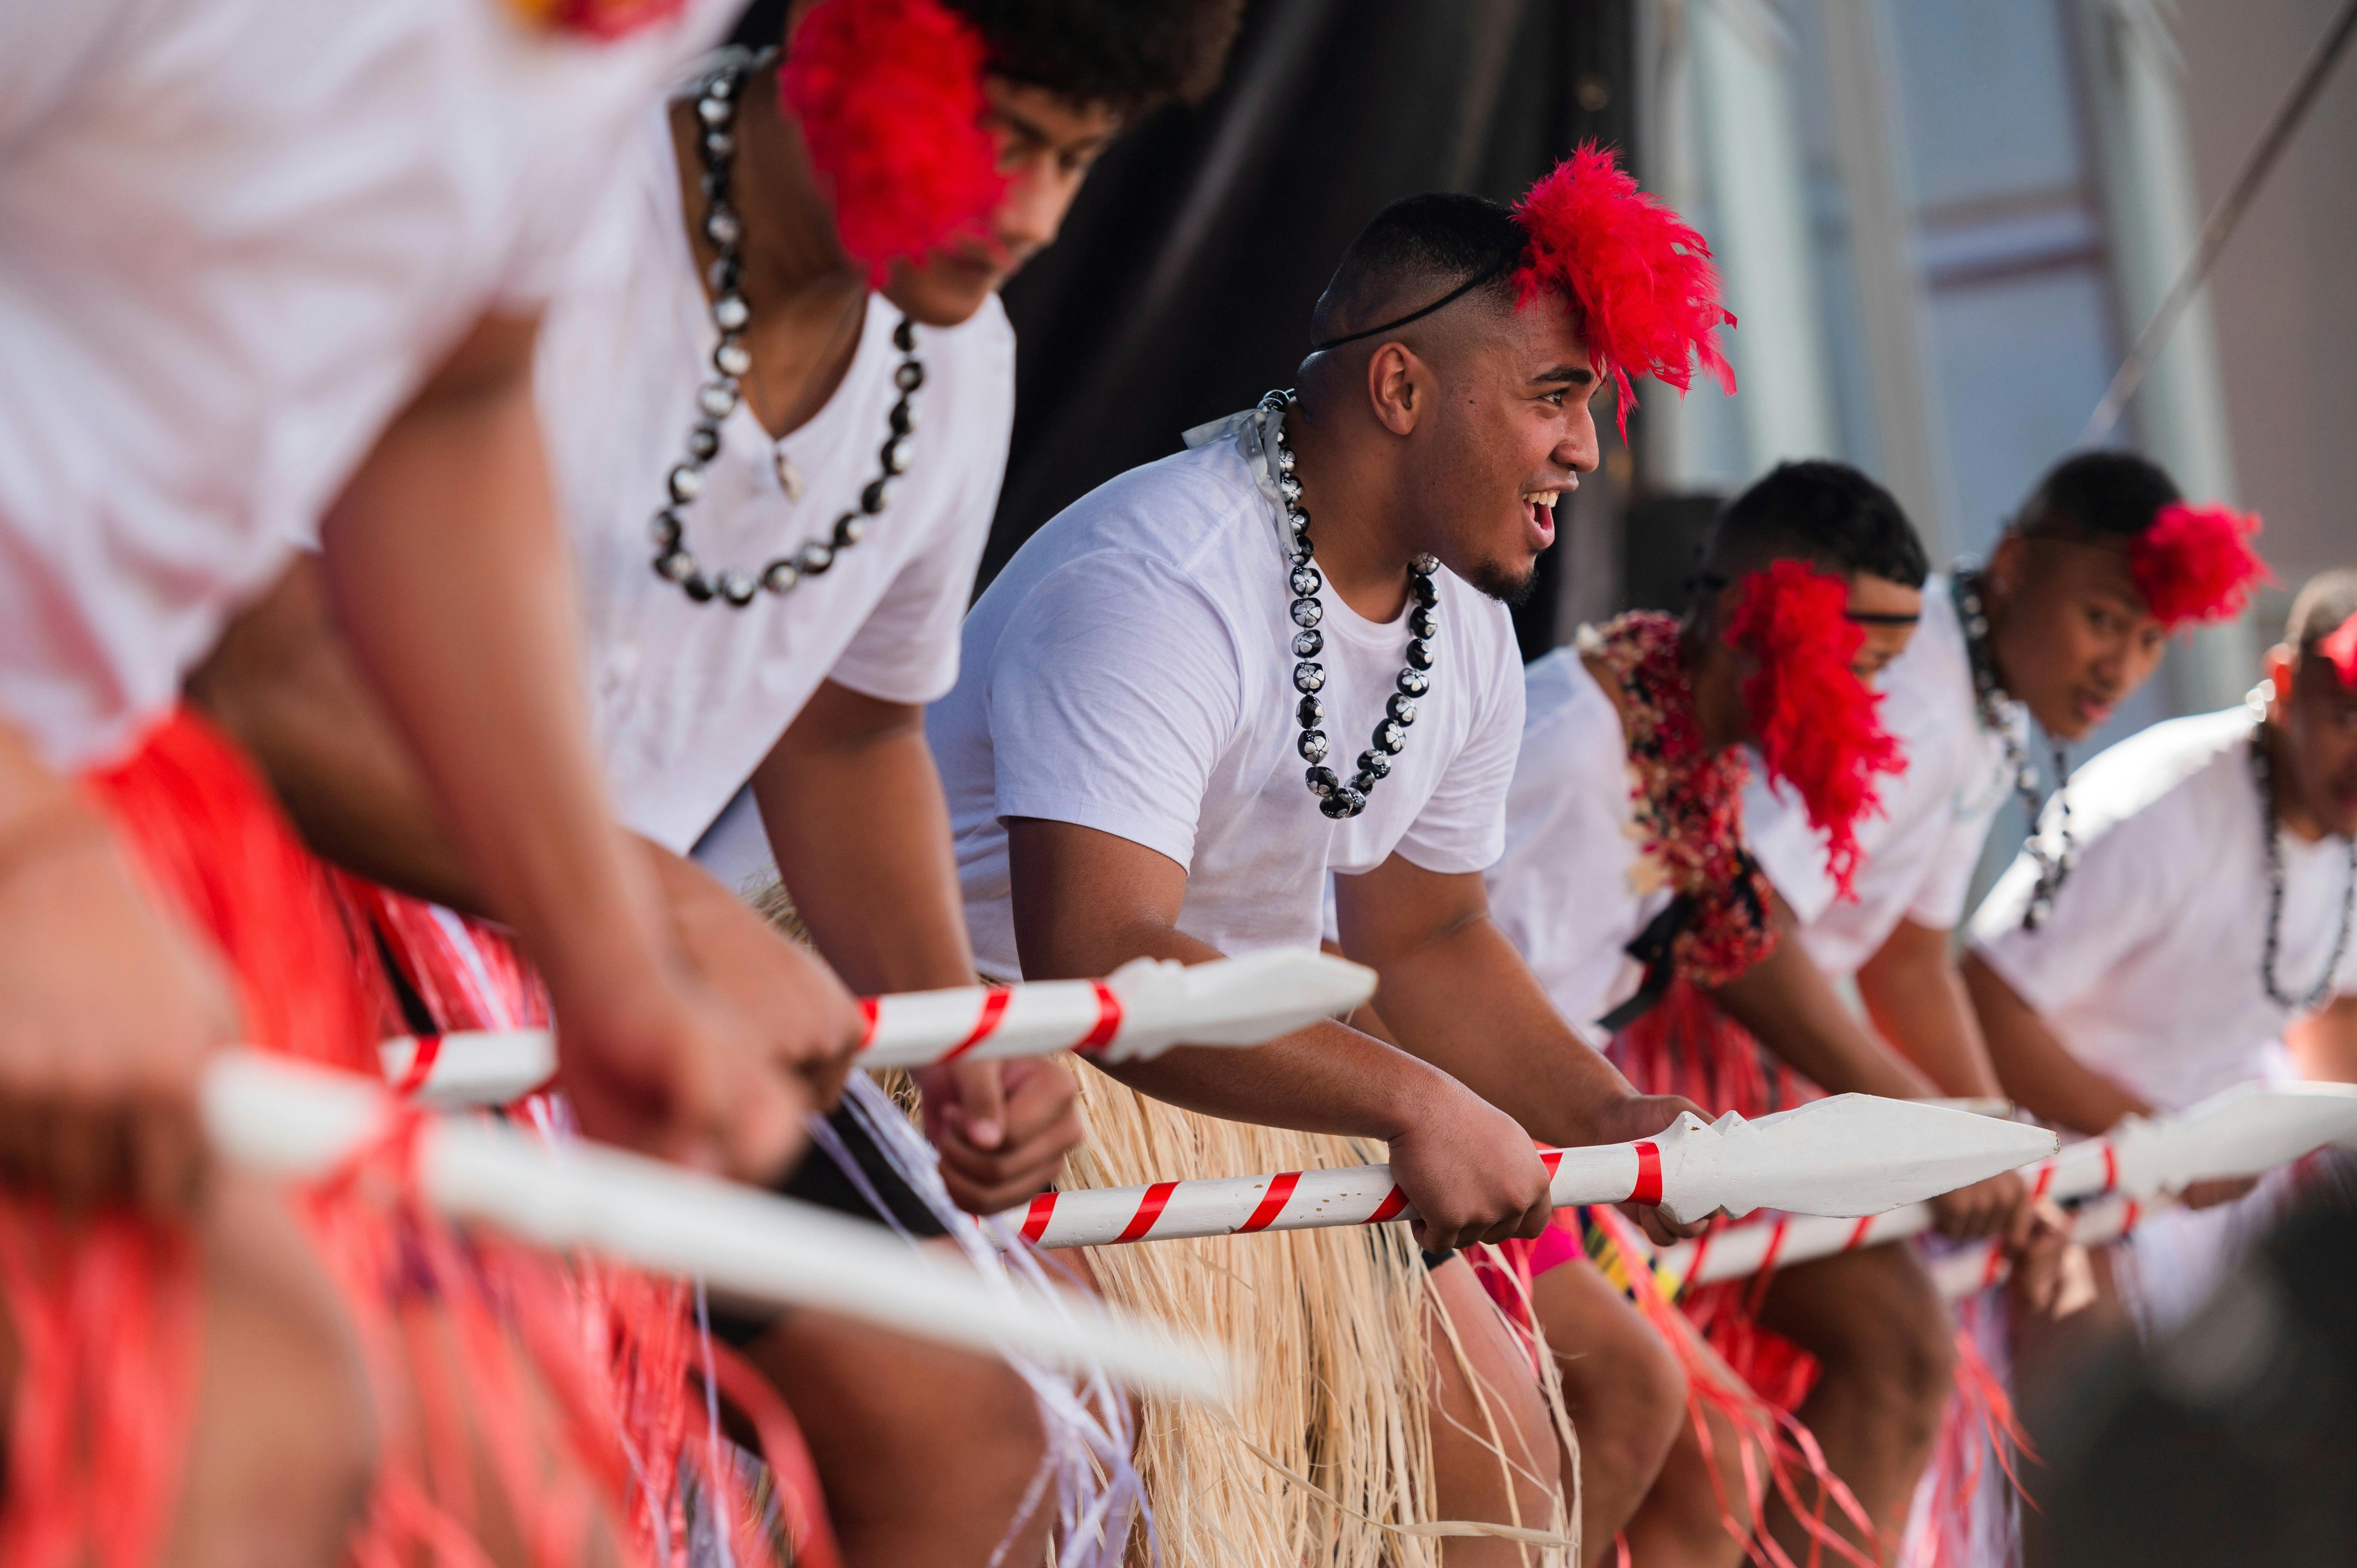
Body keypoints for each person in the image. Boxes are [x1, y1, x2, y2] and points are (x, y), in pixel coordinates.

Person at [188, 1, 1246, 1561]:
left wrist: (952, 1028)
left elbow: (848, 732)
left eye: (1078, 160)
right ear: (846, 42)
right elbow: (261, 672)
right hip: (303, 937)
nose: (1030, 213)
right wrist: (652, 905)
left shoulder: (954, 368)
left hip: (629, 989)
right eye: (998, 135)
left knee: (1000, 1432)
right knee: (508, 1473)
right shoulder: (545, 199)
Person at [0, 0, 830, 1561]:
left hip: (98, 795)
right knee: (232, 1433)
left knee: (481, 1489)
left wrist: (599, 948)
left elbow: (449, 398)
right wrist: (27, 850)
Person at [926, 151, 1733, 1565]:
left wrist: (1600, 1116)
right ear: (1401, 388)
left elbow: (1419, 940)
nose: (1586, 451)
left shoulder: (1462, 627)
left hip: (1238, 1071)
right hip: (998, 1080)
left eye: (1586, 406)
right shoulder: (1160, 580)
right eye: (1552, 397)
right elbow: (1101, 960)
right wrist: (1408, 1104)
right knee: (1107, 1489)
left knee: (1503, 1485)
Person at [1481, 459, 1972, 1566]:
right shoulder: (1574, 745)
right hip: (1476, 1148)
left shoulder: (1695, 756)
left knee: (1704, 1461)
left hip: (1556, 1152)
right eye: (1862, 667)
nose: (1873, 711)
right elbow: (1442, 986)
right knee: (1671, 1435)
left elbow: (1731, 939)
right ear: (1766, 622)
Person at [1967, 562, 2350, 1351]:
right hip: (2062, 1165)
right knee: (2095, 1402)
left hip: (2224, 1170)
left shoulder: (2338, 827)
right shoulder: (2161, 803)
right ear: (2284, 682)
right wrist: (2162, 1147)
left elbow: (2334, 1012)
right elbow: (1983, 1000)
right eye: (2349, 712)